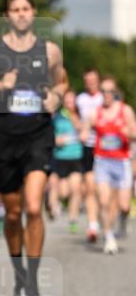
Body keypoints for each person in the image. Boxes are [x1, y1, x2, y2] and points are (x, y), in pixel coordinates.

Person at [0, 0, 68, 296]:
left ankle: (34, 284)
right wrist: (0, 86)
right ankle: (19, 276)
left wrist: (56, 97)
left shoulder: (49, 49)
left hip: (38, 137)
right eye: (15, 9)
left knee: (33, 207)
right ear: (7, 15)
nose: (22, 14)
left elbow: (63, 81)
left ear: (34, 13)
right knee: (13, 215)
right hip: (5, 140)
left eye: (26, 9)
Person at [81, 76, 135, 253]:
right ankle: (109, 237)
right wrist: (83, 133)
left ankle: (122, 222)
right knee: (103, 201)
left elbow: (134, 133)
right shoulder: (95, 113)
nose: (106, 95)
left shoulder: (125, 111)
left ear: (115, 93)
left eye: (110, 91)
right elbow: (85, 130)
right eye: (103, 91)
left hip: (122, 161)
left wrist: (129, 133)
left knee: (125, 206)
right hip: (102, 161)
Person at [47, 89, 83, 231]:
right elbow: (50, 135)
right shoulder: (58, 117)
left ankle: (73, 220)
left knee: (76, 190)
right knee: (62, 191)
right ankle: (53, 205)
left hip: (75, 156)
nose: (69, 103)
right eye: (67, 101)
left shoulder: (80, 115)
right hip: (60, 157)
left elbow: (84, 131)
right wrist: (57, 140)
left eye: (71, 101)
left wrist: (75, 120)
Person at [76, 68, 103, 242]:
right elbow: (76, 119)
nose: (90, 83)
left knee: (103, 189)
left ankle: (105, 215)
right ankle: (93, 225)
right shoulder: (81, 99)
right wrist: (82, 128)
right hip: (88, 147)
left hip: (106, 149)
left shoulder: (105, 97)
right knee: (90, 186)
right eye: (88, 81)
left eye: (93, 80)